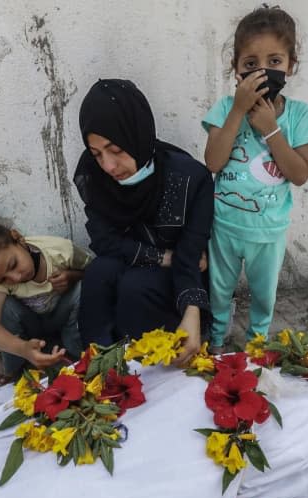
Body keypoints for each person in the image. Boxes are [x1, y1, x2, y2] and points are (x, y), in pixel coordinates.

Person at [202, 5, 308, 353]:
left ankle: (256, 344)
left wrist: (271, 130)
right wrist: (239, 110)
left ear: (290, 65)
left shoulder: (299, 116)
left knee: (264, 295)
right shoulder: (225, 109)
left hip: (268, 231)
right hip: (224, 225)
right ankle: (217, 338)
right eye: (250, 64)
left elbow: (299, 174)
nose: (262, 71)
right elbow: (212, 161)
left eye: (274, 61)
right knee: (218, 291)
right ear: (236, 68)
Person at [74, 79, 214, 366]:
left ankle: (152, 366)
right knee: (99, 273)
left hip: (177, 278)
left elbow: (191, 256)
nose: (108, 166)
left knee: (136, 286)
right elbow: (103, 240)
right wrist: (162, 256)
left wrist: (192, 311)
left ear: (136, 134)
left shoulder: (189, 178)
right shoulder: (93, 176)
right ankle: (99, 365)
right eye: (97, 153)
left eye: (115, 149)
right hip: (139, 260)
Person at [0, 218, 89, 380]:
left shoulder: (59, 250)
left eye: (13, 265)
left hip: (64, 316)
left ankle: (78, 354)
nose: (15, 277)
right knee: (4, 306)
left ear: (17, 237)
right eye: (2, 280)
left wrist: (73, 276)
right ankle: (19, 372)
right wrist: (23, 348)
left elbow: (96, 273)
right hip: (32, 328)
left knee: (83, 288)